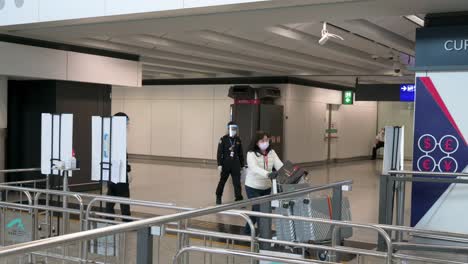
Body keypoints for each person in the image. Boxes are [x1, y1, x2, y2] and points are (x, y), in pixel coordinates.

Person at [244, 131, 283, 234]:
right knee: (259, 211)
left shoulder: (271, 152)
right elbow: (254, 168)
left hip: (266, 187)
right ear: (257, 142)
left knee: (256, 211)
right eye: (262, 140)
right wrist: (268, 174)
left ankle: (247, 231)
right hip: (253, 187)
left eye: (266, 140)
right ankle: (264, 234)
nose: (265, 142)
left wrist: (291, 172)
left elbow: (279, 165)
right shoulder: (251, 153)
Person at [105, 112, 132, 221]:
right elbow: (121, 157)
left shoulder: (109, 134)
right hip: (119, 172)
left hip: (111, 173)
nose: (127, 125)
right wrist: (127, 170)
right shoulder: (119, 137)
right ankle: (126, 220)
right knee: (124, 197)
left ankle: (108, 219)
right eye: (126, 122)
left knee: (111, 196)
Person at [216, 121, 245, 205]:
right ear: (228, 129)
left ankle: (239, 198)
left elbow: (240, 153)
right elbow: (219, 152)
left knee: (237, 182)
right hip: (226, 163)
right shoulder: (223, 139)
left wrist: (242, 165)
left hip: (235, 164)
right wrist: (219, 164)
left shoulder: (238, 140)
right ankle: (218, 196)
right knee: (222, 181)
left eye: (235, 129)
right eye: (232, 128)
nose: (233, 130)